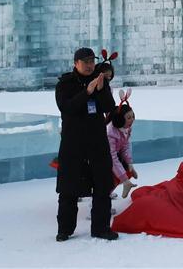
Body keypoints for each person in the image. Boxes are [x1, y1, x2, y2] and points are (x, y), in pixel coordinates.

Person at [54, 47, 118, 241]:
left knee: (102, 186)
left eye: (92, 61)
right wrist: (87, 92)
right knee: (68, 188)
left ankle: (101, 228)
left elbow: (109, 108)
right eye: (85, 62)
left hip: (97, 142)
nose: (90, 65)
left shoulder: (101, 81)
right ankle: (65, 229)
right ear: (76, 63)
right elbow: (67, 108)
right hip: (73, 144)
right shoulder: (65, 84)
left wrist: (99, 90)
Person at [107, 90, 138, 199]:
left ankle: (107, 194)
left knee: (118, 174)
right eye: (129, 117)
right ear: (120, 119)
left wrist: (129, 163)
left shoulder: (126, 128)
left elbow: (125, 146)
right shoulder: (110, 134)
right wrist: (125, 180)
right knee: (107, 179)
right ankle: (97, 204)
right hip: (101, 158)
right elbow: (112, 157)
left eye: (132, 116)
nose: (132, 120)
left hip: (112, 157)